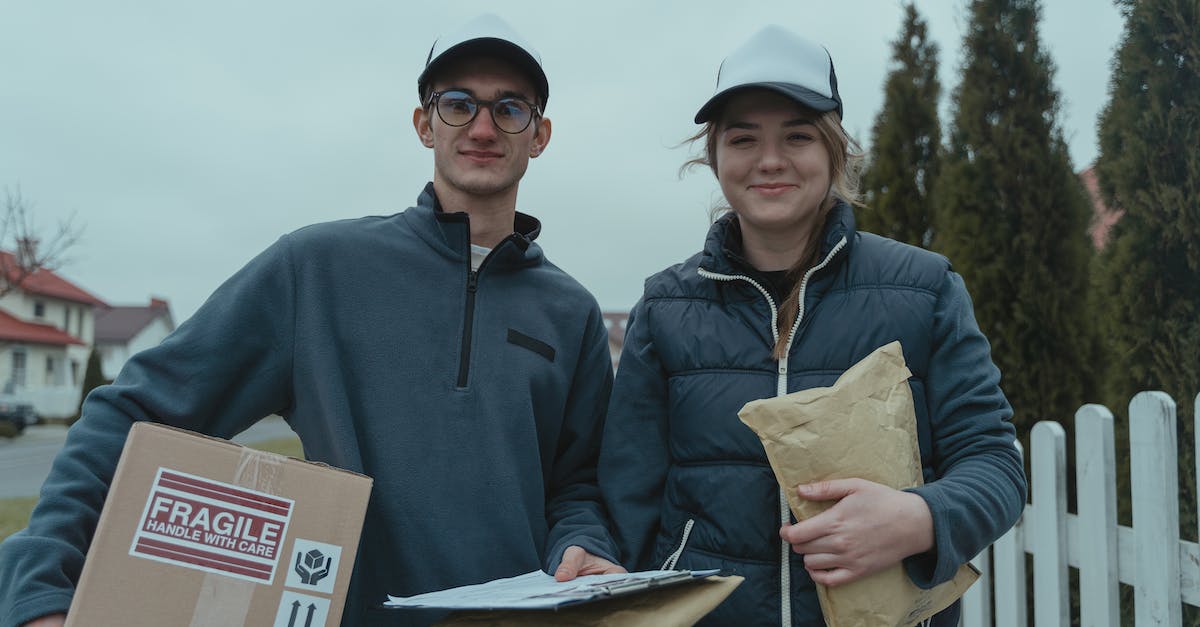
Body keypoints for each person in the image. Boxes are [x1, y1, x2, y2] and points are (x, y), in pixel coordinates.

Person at [0, 14, 623, 627]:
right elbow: (133, 414)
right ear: (423, 124)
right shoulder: (317, 269)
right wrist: (39, 584)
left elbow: (577, 486)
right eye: (458, 103)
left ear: (539, 134)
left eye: (510, 108)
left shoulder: (570, 313)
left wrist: (583, 542)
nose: (483, 126)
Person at [598, 25, 1026, 627]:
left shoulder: (925, 289)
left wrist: (921, 517)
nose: (770, 160)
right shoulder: (665, 306)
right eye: (743, 138)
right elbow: (626, 497)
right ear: (714, 155)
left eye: (797, 135)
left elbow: (995, 463)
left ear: (835, 152)